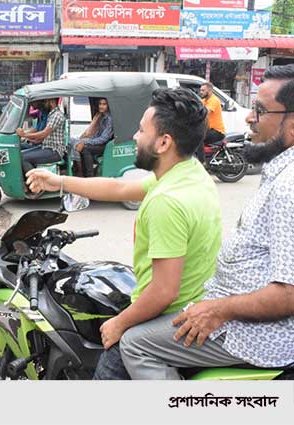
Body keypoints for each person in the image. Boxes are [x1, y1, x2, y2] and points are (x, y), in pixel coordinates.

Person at [26, 88, 220, 380]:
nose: (135, 137)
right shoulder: (190, 174)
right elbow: (119, 188)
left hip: (165, 315)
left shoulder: (166, 201)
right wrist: (59, 181)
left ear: (164, 142)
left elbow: (163, 292)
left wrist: (119, 323)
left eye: (142, 130)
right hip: (192, 302)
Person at [118, 64, 294, 380]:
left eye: (260, 110)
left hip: (254, 335)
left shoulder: (288, 187)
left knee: (132, 343)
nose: (249, 118)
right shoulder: (273, 172)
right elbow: (119, 187)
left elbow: (290, 293)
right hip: (221, 302)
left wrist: (219, 309)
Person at [18, 98, 66, 176]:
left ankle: (35, 184)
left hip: (54, 151)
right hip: (46, 147)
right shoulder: (51, 114)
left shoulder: (57, 115)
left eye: (46, 101)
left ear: (52, 101)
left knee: (23, 158)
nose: (44, 103)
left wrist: (24, 135)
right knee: (19, 154)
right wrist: (25, 135)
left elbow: (44, 133)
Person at [72, 98, 115, 177]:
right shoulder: (102, 117)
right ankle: (83, 173)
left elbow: (103, 139)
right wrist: (85, 140)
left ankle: (89, 176)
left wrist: (85, 142)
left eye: (104, 104)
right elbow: (97, 135)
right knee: (80, 144)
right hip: (100, 143)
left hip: (107, 145)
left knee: (85, 149)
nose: (101, 106)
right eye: (100, 104)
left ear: (108, 106)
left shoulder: (109, 119)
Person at [197, 82, 225, 162]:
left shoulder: (214, 100)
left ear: (209, 91)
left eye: (203, 90)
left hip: (217, 131)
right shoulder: (204, 101)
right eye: (200, 90)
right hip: (209, 129)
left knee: (198, 138)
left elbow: (205, 112)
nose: (200, 92)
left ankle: (202, 163)